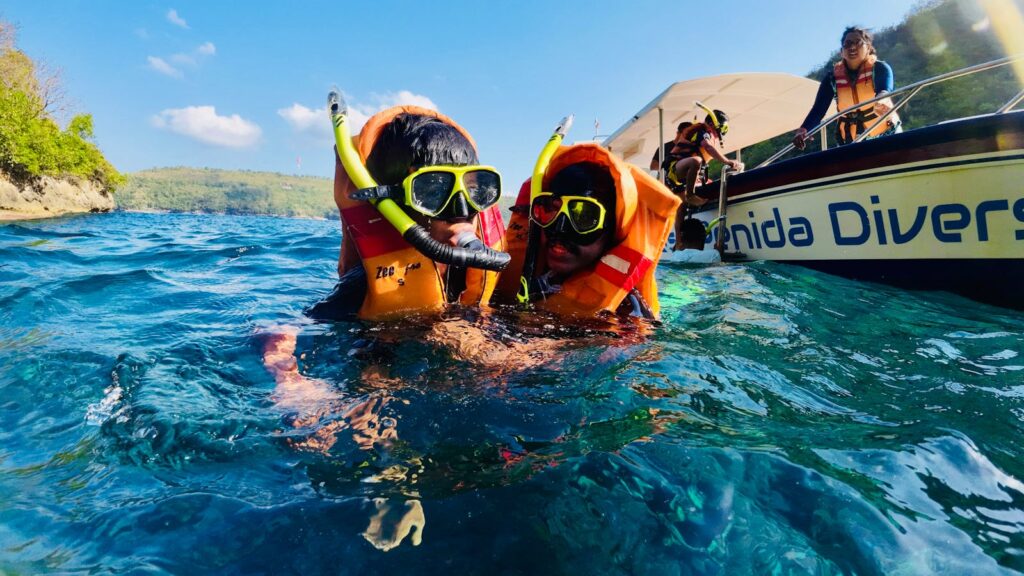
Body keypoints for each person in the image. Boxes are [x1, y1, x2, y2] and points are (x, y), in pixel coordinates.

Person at [306, 106, 508, 321]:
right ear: (394, 203)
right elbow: (299, 326)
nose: (462, 211)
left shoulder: (479, 266)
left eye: (474, 191)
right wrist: (279, 345)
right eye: (434, 193)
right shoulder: (366, 283)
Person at [494, 142, 681, 320]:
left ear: (612, 229)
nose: (560, 229)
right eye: (550, 209)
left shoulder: (627, 311)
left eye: (584, 216)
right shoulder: (523, 273)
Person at [793, 26, 901, 150]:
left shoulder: (880, 68)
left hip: (885, 135)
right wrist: (804, 129)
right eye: (847, 44)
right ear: (841, 51)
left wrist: (882, 100)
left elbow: (884, 90)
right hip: (851, 142)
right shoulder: (832, 79)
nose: (852, 47)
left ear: (869, 48)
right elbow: (818, 110)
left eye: (858, 42)